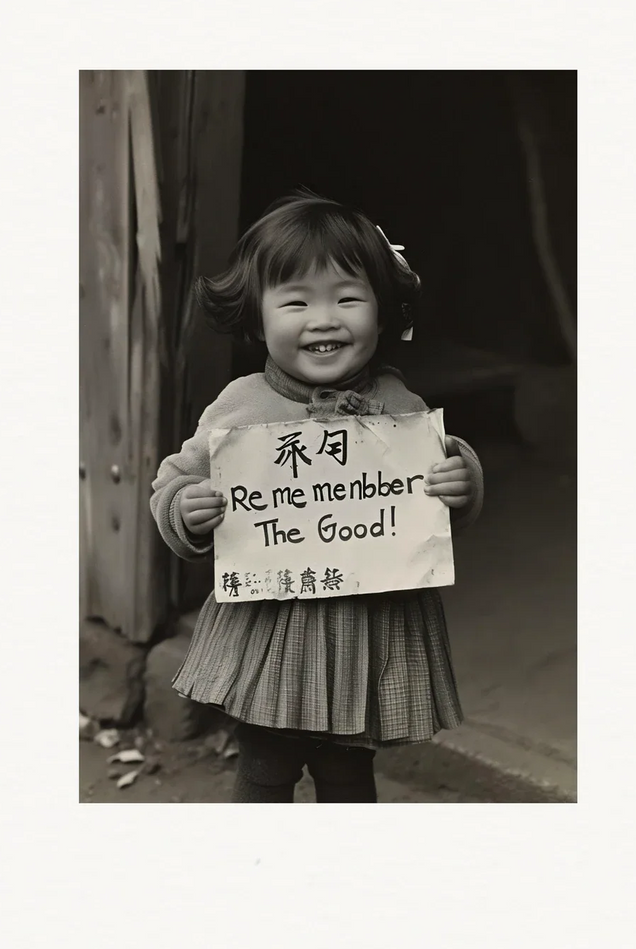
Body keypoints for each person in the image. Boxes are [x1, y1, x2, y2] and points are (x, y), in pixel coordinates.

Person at [149, 190, 484, 802]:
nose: (324, 318)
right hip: (274, 629)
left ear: (382, 313)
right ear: (257, 317)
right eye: (296, 301)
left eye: (348, 298)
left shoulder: (400, 407)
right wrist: (185, 508)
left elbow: (430, 501)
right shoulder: (240, 407)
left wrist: (459, 482)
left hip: (368, 632)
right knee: (266, 765)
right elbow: (174, 478)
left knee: (348, 772)